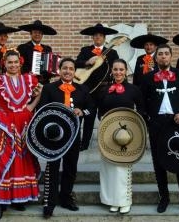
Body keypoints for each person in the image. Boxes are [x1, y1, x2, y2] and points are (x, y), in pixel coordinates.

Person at [0, 49, 42, 220]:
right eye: (9, 62)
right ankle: (1, 202)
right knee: (3, 158)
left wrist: (31, 107)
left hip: (24, 121)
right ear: (4, 63)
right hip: (5, 124)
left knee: (22, 158)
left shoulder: (29, 79)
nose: (13, 65)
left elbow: (42, 90)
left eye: (15, 62)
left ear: (20, 63)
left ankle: (18, 199)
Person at [140, 44, 179, 214]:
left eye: (166, 54)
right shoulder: (147, 77)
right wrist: (148, 120)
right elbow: (142, 102)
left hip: (177, 122)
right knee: (159, 162)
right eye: (160, 54)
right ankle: (164, 198)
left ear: (171, 56)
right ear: (156, 58)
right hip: (157, 124)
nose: (163, 57)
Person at [38, 58, 94, 219]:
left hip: (74, 136)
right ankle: (49, 202)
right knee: (52, 168)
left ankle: (66, 198)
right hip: (53, 137)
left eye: (71, 68)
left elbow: (92, 108)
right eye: (65, 68)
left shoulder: (82, 89)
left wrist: (82, 112)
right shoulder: (49, 88)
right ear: (59, 70)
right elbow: (42, 109)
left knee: (71, 168)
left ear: (75, 71)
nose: (68, 71)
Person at [97, 59, 144, 214]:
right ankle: (111, 200)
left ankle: (124, 200)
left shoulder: (134, 90)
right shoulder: (104, 89)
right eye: (115, 69)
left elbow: (142, 110)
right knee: (108, 167)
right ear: (112, 71)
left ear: (126, 71)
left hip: (126, 134)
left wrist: (137, 128)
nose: (118, 72)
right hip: (108, 133)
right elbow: (99, 111)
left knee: (123, 168)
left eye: (121, 69)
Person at [75, 23, 119, 151]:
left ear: (105, 38)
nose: (98, 37)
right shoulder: (85, 50)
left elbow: (116, 68)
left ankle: (110, 143)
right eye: (96, 35)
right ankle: (84, 144)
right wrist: (87, 62)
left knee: (107, 116)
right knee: (88, 116)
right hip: (88, 89)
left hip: (105, 90)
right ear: (93, 38)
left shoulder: (112, 52)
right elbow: (76, 63)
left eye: (101, 35)